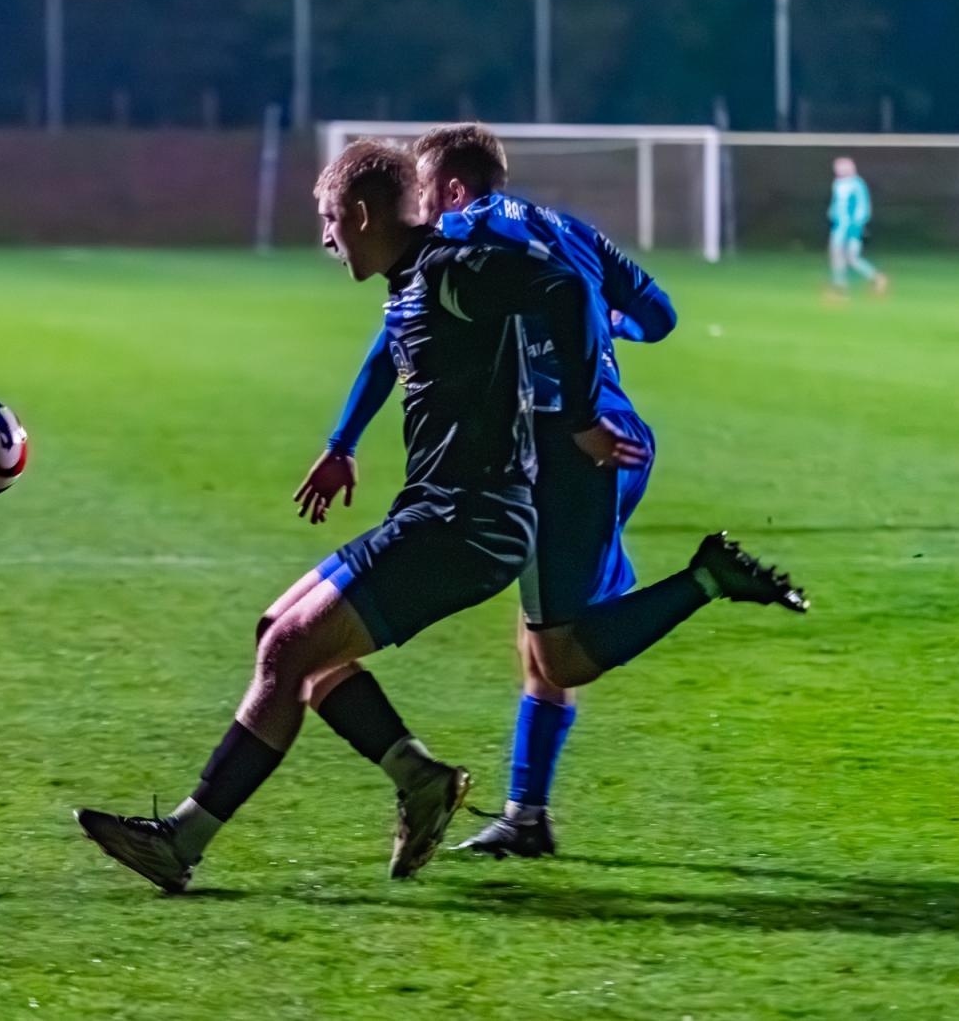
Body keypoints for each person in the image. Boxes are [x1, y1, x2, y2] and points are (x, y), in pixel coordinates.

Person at [75, 139, 619, 892]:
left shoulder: (448, 272)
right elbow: (396, 356)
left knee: (291, 649)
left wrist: (585, 415)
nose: (327, 238)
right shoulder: (409, 283)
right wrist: (342, 446)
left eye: (331, 220)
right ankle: (418, 776)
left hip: (470, 523)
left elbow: (564, 288)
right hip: (437, 513)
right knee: (279, 635)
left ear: (362, 214)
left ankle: (183, 838)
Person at [294, 123, 808, 859]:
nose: (416, 211)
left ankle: (707, 576)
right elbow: (659, 315)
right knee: (541, 633)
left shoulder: (461, 235)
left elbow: (391, 342)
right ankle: (527, 813)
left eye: (421, 192)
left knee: (562, 651)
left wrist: (343, 441)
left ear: (452, 190)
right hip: (619, 436)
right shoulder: (569, 227)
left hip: (564, 451)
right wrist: (600, 331)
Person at [828, 156, 888, 296]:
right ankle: (839, 287)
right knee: (836, 254)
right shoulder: (837, 183)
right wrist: (832, 214)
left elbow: (863, 206)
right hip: (839, 226)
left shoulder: (857, 184)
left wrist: (858, 223)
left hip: (852, 227)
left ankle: (876, 277)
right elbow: (836, 203)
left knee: (852, 257)